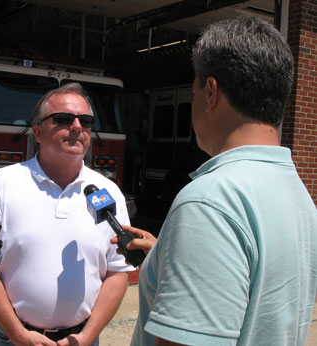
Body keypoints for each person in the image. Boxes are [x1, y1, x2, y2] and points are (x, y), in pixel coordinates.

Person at [116, 16, 317, 346]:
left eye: (194, 90)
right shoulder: (296, 192)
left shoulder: (210, 202)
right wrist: (166, 253)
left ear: (210, 93)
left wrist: (197, 230)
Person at [0, 83, 134, 346]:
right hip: (10, 338)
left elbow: (118, 271)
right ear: (38, 133)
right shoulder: (2, 183)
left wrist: (87, 336)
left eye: (86, 121)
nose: (77, 127)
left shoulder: (108, 192)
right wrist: (17, 334)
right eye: (64, 119)